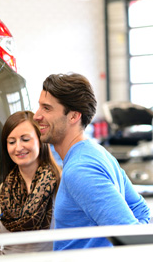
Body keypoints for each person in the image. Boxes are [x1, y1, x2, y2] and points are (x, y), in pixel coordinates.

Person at [33, 73, 151, 250]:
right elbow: (141, 209)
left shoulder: (80, 170)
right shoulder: (96, 152)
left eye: (46, 108)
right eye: (39, 107)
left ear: (73, 117)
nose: (36, 116)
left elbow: (129, 238)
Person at [0, 111, 61, 255]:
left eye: (25, 139)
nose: (18, 148)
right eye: (11, 142)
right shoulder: (4, 190)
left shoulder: (60, 185)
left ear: (40, 140)